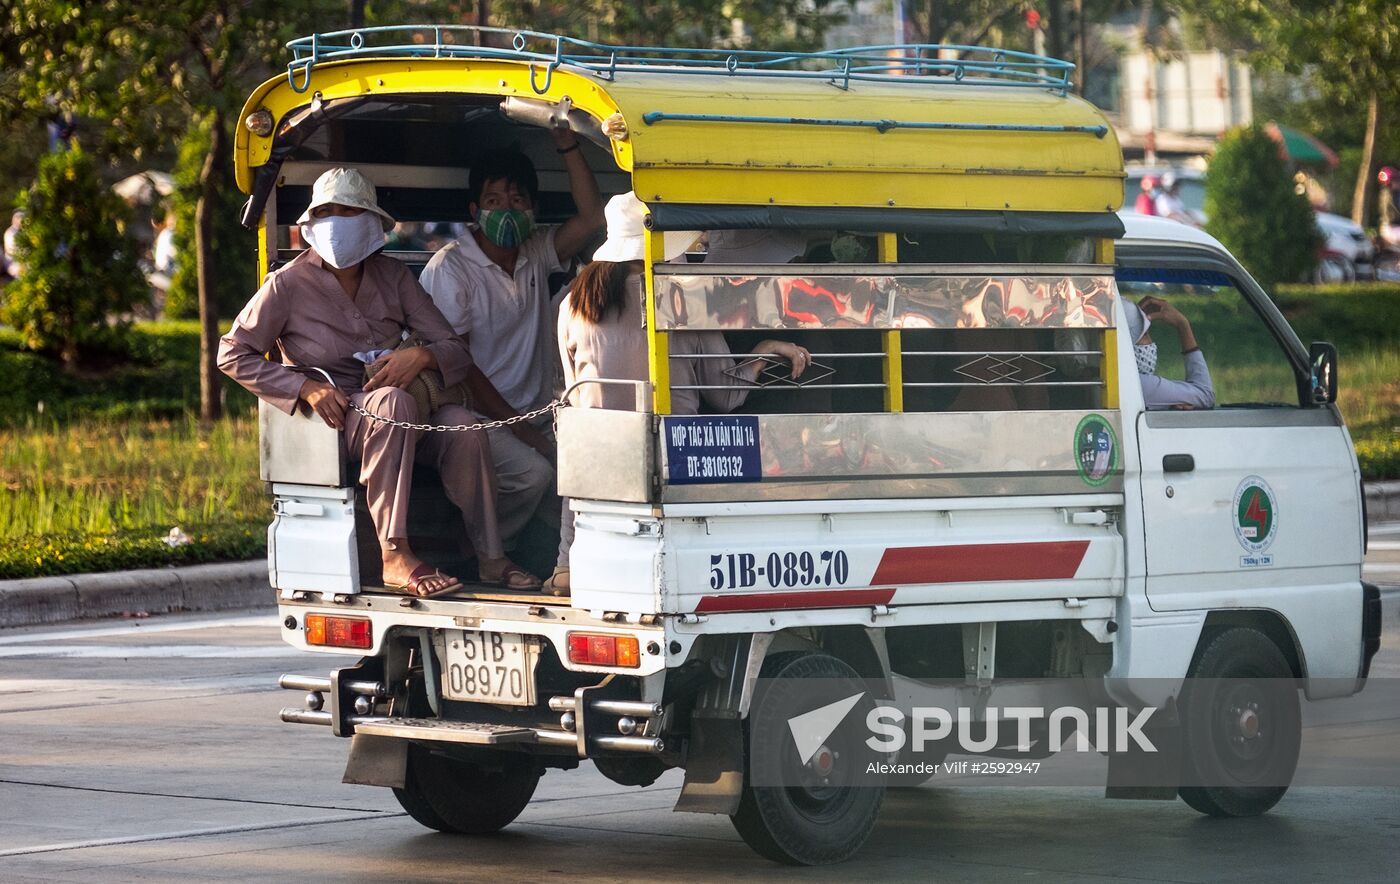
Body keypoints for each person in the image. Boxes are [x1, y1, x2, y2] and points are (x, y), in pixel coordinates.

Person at [218, 167, 538, 596]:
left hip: (410, 414)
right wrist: (304, 389)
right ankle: (394, 553)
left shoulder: (394, 277)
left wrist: (421, 355)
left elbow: (455, 347)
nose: (336, 222)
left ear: (370, 222)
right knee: (391, 404)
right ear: (311, 223)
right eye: (326, 212)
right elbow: (232, 353)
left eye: (347, 212)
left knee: (463, 425)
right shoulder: (287, 284)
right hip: (339, 420)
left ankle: (490, 556)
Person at [548, 192, 812, 594]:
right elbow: (725, 396)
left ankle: (565, 565)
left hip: (597, 460)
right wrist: (764, 351)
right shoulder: (685, 299)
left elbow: (573, 398)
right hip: (674, 457)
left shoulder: (572, 303)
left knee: (578, 443)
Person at [420, 127, 605, 547]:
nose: (507, 210)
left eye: (517, 200)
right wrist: (525, 434)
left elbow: (593, 218)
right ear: (474, 211)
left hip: (538, 414)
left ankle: (531, 560)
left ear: (532, 209)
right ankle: (469, 550)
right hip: (480, 415)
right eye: (493, 201)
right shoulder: (451, 270)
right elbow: (458, 366)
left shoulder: (536, 252)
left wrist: (567, 143)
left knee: (588, 475)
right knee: (533, 475)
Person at [1123, 295, 1214, 411]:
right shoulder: (1136, 384)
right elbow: (1205, 395)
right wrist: (1182, 324)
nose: (1151, 342)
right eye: (1145, 334)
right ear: (1125, 342)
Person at [3, 209, 24, 280]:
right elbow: (13, 251)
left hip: (22, 260)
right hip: (12, 262)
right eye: (20, 218)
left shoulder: (23, 231)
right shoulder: (10, 233)